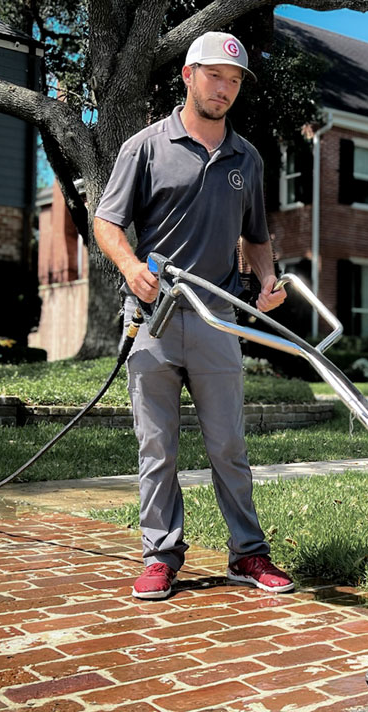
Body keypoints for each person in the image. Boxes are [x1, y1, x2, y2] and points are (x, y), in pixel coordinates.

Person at [93, 31, 291, 600]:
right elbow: (108, 222)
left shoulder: (246, 158)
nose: (224, 89)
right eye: (215, 76)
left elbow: (255, 237)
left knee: (228, 443)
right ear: (188, 75)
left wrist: (268, 277)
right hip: (153, 317)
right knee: (157, 447)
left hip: (216, 317)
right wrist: (131, 267)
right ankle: (161, 554)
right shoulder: (145, 147)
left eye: (233, 81)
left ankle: (248, 555)